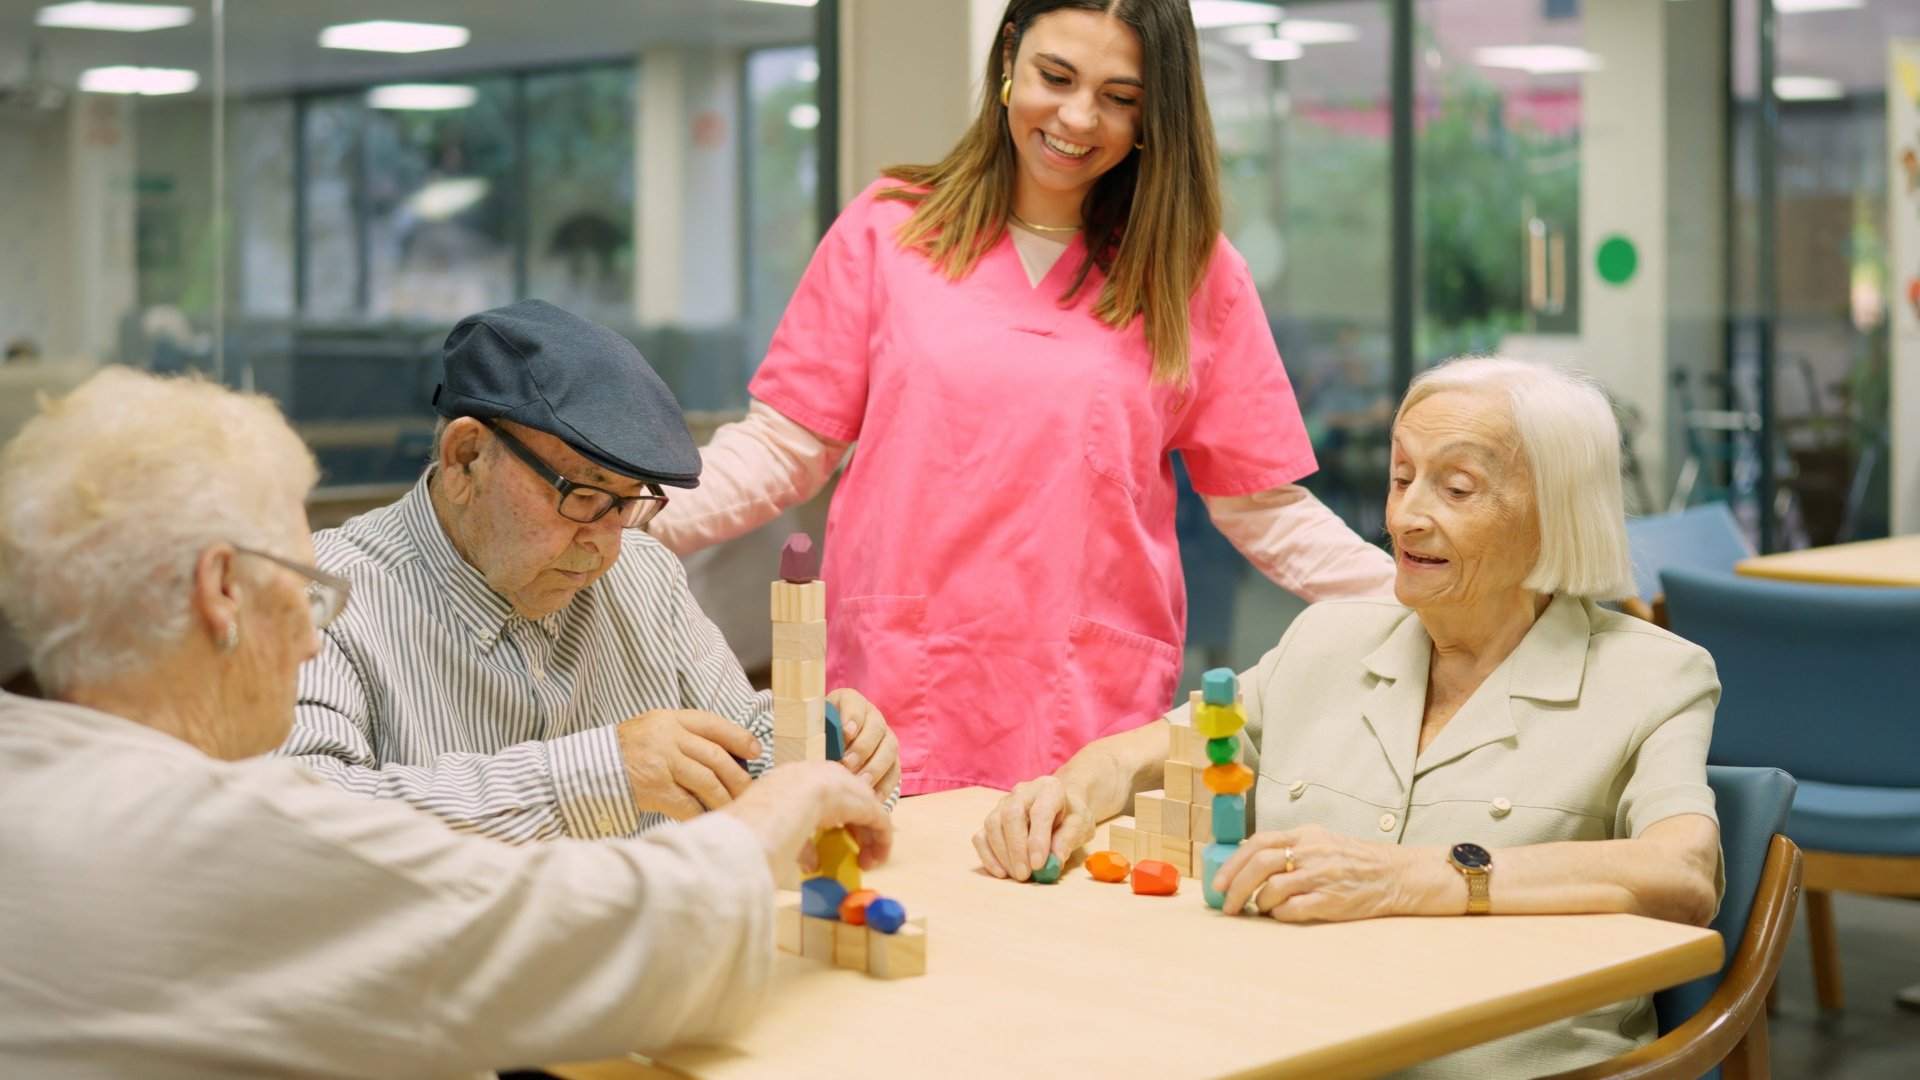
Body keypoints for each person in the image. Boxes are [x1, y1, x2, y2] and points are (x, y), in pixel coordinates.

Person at [0, 368, 892, 1077]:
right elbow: (624, 940)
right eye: (304, 588)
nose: (315, 633)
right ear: (222, 591)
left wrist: (803, 749)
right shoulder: (208, 841)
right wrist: (781, 807)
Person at [649, 0, 1396, 796]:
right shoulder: (889, 229)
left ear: (1156, 112)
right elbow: (784, 446)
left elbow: (1263, 508)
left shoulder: (1190, 271)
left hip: (1088, 711)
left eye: (1120, 96)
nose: (1079, 118)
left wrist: (1419, 596)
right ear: (1009, 56)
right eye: (1057, 76)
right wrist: (625, 515)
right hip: (890, 694)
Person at [975, 357, 1724, 1078]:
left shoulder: (1654, 676)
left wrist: (1413, 877)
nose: (1405, 516)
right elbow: (1175, 744)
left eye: (1456, 489)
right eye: (1401, 478)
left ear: (1553, 514)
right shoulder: (1329, 636)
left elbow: (1683, 872)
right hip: (1283, 1047)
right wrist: (1072, 787)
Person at [283, 300, 899, 842]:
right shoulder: (322, 598)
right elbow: (303, 826)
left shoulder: (644, 577)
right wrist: (599, 774)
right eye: (583, 495)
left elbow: (748, 753)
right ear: (465, 458)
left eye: (630, 500)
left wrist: (828, 750)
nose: (606, 547)